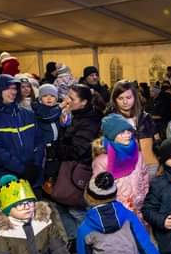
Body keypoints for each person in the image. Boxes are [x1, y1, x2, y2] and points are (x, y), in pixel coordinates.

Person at [92, 112, 158, 254]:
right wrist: (119, 204)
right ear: (111, 135)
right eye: (121, 132)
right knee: (123, 253)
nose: (127, 135)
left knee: (139, 249)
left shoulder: (138, 154)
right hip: (117, 215)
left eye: (129, 131)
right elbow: (99, 190)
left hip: (138, 212)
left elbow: (144, 179)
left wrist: (142, 200)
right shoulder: (102, 161)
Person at [48, 84, 101, 237]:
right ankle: (75, 239)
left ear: (84, 102)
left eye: (72, 98)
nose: (67, 101)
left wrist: (53, 148)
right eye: (67, 96)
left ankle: (86, 241)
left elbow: (78, 150)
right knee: (63, 205)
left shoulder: (89, 121)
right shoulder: (75, 116)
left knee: (76, 210)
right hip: (69, 169)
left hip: (78, 172)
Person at [0, 74, 44, 188]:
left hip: (33, 175)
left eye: (14, 88)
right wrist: (22, 169)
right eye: (7, 88)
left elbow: (39, 141)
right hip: (6, 178)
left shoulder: (28, 114)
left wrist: (35, 166)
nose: (13, 92)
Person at [108, 80, 159, 174]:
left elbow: (155, 143)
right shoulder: (110, 119)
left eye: (128, 97)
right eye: (120, 98)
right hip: (122, 167)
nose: (125, 102)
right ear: (115, 99)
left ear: (135, 97)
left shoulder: (145, 117)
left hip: (148, 165)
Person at [33, 83, 66, 148]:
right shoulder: (38, 108)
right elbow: (47, 116)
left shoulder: (59, 108)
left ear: (56, 99)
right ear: (40, 99)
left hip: (58, 144)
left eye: (52, 96)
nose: (49, 98)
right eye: (45, 96)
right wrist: (60, 107)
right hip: (44, 145)